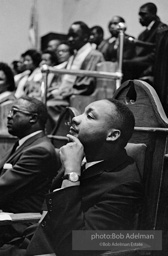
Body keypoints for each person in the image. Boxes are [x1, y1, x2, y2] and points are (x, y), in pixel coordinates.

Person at [26, 99, 143, 256]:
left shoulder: (125, 186)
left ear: (113, 135)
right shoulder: (81, 157)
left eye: (90, 116)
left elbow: (76, 245)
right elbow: (49, 207)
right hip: (29, 240)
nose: (75, 118)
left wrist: (72, 173)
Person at [0, 96, 60, 245]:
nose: (8, 116)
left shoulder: (40, 150)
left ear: (33, 118)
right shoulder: (26, 143)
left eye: (15, 112)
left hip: (18, 224)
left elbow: (3, 187)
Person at [45, 21, 104, 133]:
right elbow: (64, 80)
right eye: (69, 36)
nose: (70, 39)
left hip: (79, 97)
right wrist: (56, 90)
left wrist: (65, 92)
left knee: (49, 106)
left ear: (86, 37)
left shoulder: (93, 55)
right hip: (66, 95)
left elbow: (87, 84)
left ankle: (59, 136)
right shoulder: (74, 55)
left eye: (74, 36)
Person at [124, 2, 167, 81]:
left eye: (143, 14)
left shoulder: (161, 30)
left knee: (125, 64)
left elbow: (156, 53)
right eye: (139, 15)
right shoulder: (143, 34)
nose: (140, 18)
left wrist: (134, 60)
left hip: (153, 65)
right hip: (143, 63)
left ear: (153, 14)